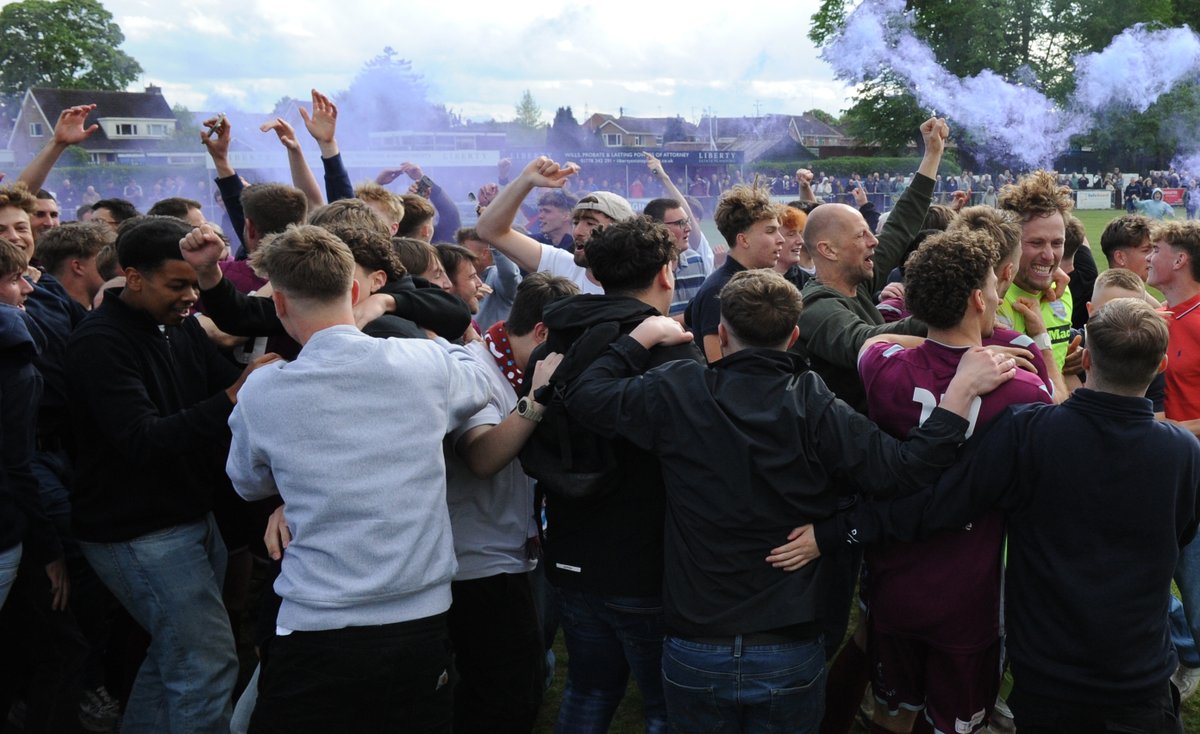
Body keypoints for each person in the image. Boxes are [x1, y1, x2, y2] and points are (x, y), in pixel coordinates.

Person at [564, 268, 1016, 733]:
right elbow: (905, 470)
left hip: (698, 642)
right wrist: (957, 394)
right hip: (785, 643)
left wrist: (638, 338)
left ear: (722, 333)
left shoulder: (679, 389)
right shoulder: (814, 405)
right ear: (794, 335)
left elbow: (582, 395)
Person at [789, 297, 1199, 733]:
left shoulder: (1031, 432)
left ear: (1086, 353)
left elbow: (939, 505)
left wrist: (839, 531)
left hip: (1049, 673)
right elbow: (1183, 531)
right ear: (1160, 367)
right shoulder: (1182, 452)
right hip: (1140, 674)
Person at [226, 224, 492, 734]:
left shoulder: (263, 392)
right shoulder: (422, 363)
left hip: (316, 622)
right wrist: (435, 338)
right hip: (417, 618)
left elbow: (247, 482)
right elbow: (479, 375)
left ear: (279, 304)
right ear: (355, 291)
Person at [66, 216, 277, 733]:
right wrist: (232, 396)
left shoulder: (178, 327)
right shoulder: (100, 343)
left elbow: (225, 384)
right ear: (134, 277)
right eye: (178, 285)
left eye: (194, 285)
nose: (190, 299)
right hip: (138, 532)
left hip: (187, 518)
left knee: (174, 660)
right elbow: (143, 439)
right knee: (206, 665)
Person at [476, 156, 635, 295]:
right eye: (576, 222)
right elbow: (490, 231)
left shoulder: (645, 282)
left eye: (590, 223)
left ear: (620, 230)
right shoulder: (565, 266)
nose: (578, 231)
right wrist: (526, 180)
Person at [683, 184, 783, 363]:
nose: (780, 239)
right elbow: (718, 366)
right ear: (743, 239)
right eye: (770, 231)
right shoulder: (719, 291)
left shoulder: (746, 282)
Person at [996, 170, 1075, 369]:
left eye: (1057, 243)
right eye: (1036, 243)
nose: (1049, 255)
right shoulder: (992, 299)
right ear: (1011, 241)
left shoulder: (1062, 290)